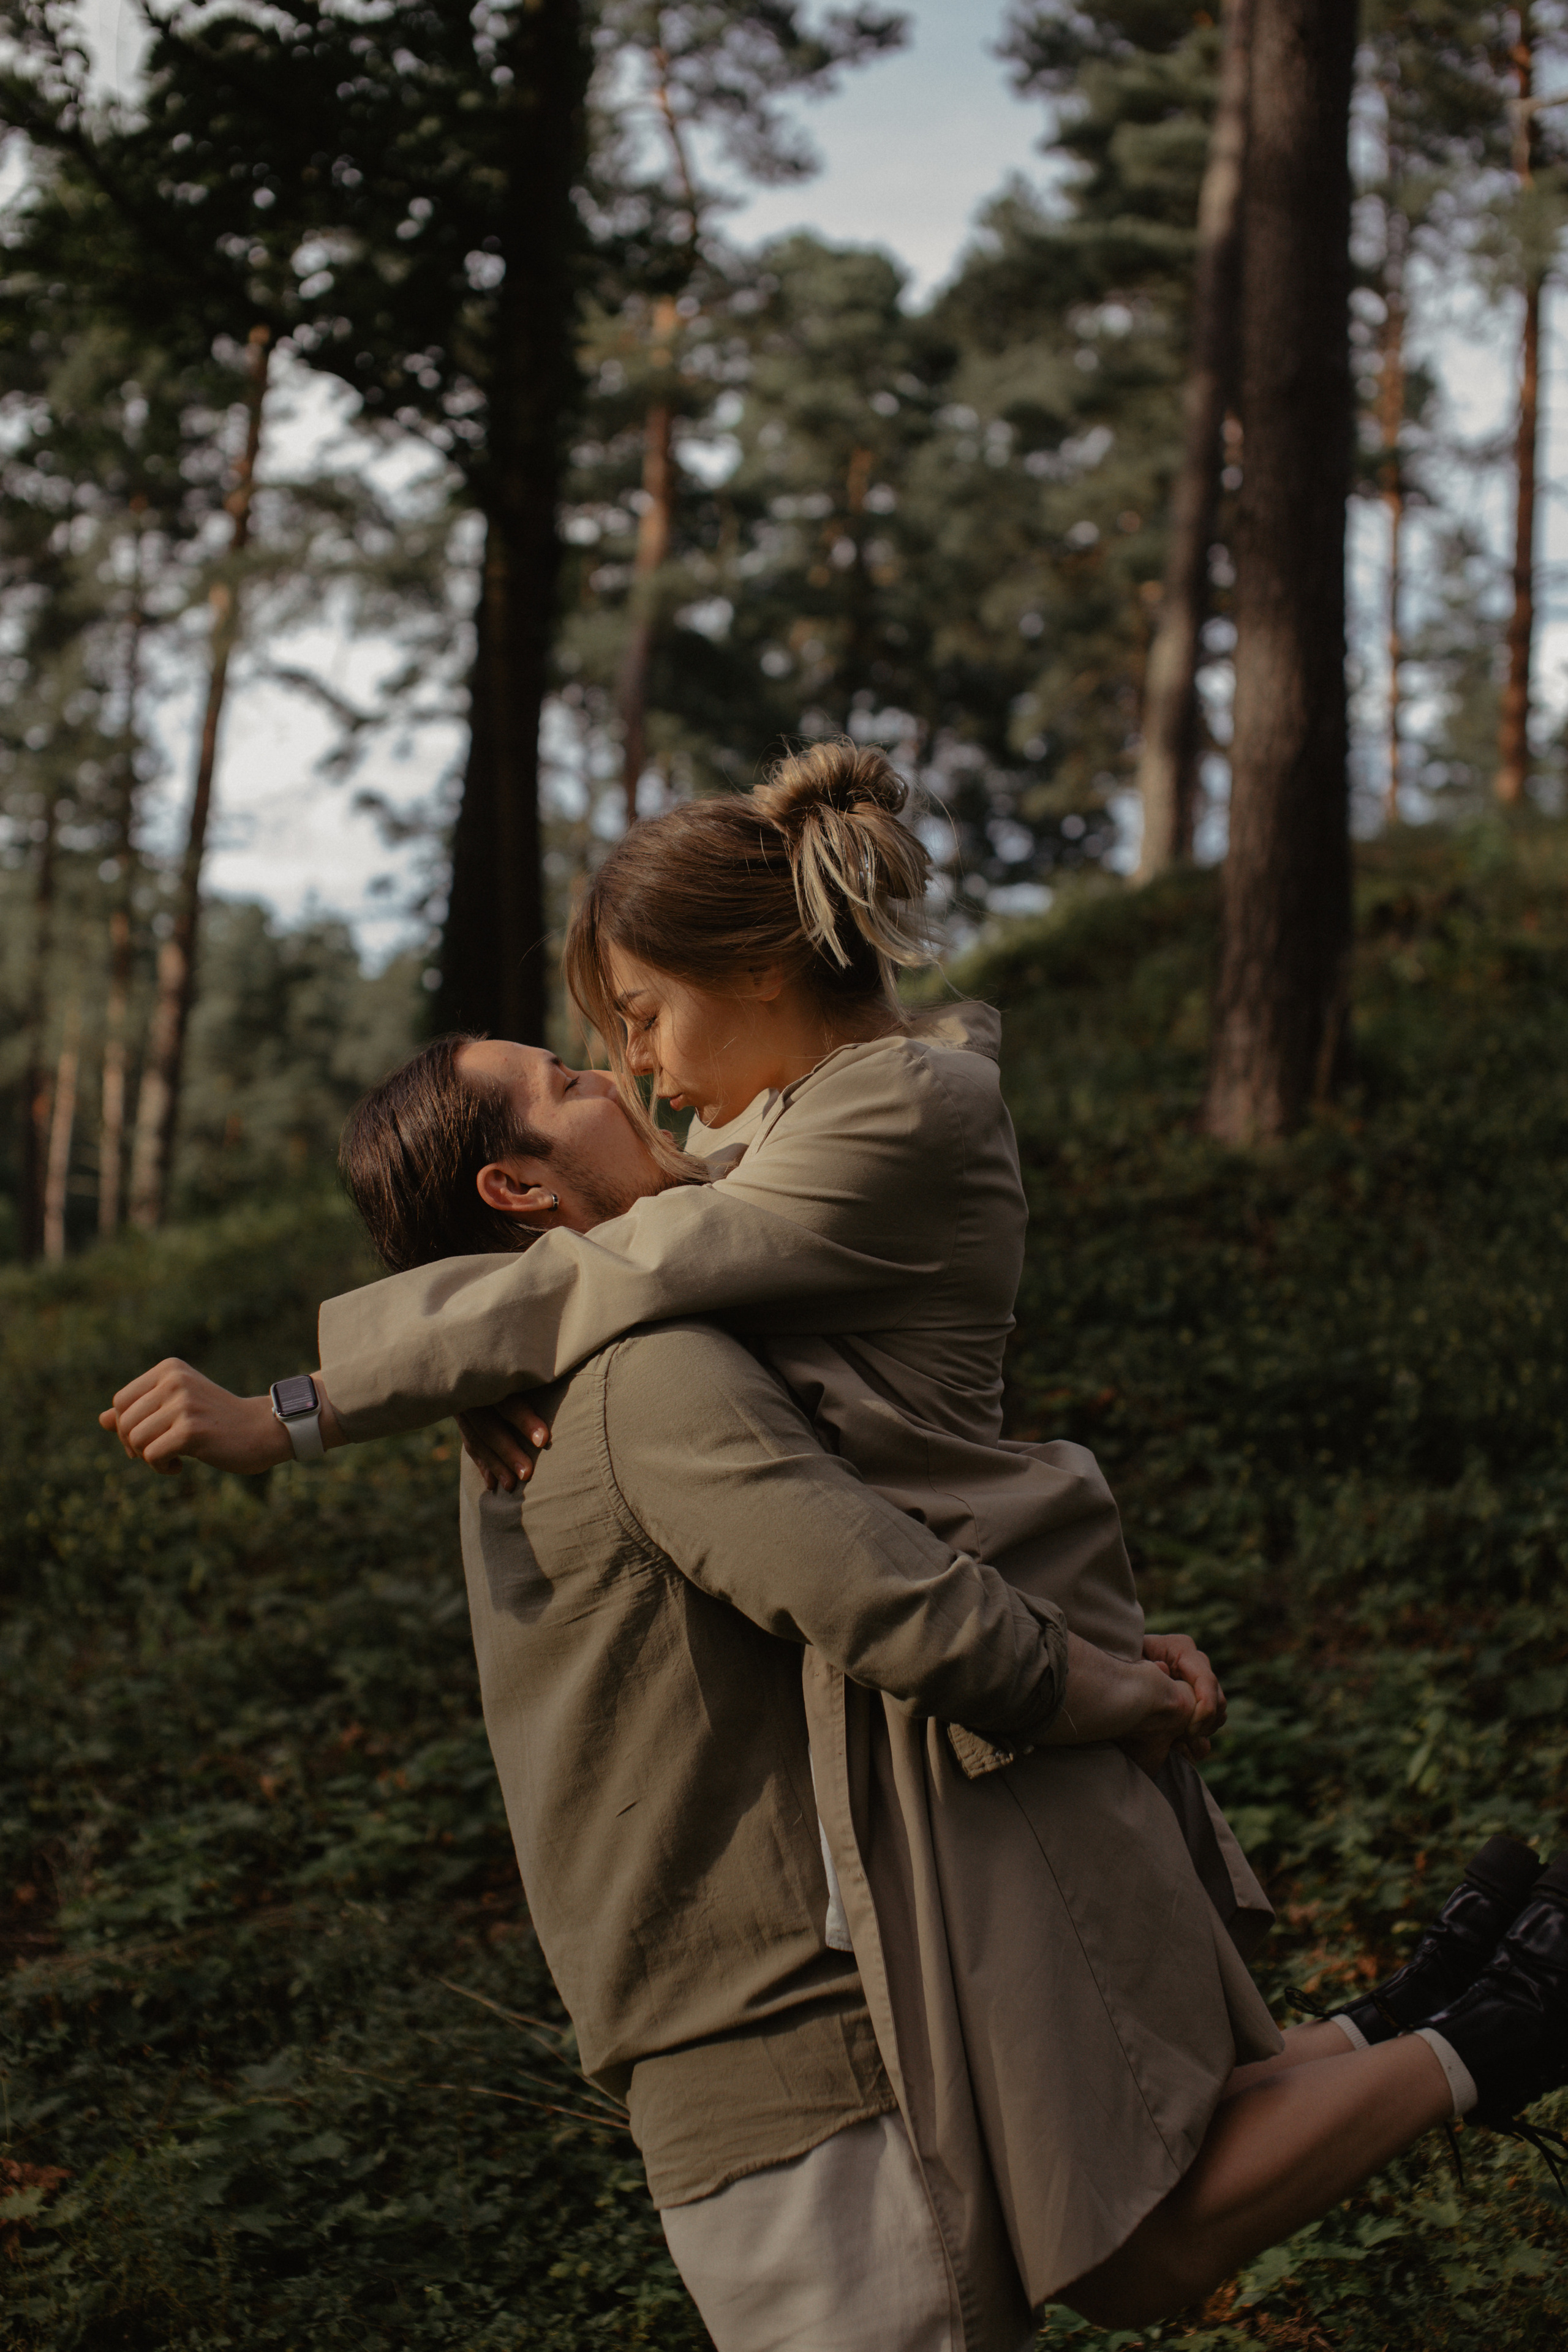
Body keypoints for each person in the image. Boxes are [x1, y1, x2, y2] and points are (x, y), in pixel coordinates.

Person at [105, 1040, 1568, 2345]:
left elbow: (892, 1562)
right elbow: (894, 1600)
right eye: (566, 1084)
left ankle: (1455, 2021)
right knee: (1140, 2225)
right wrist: (1111, 1690)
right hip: (774, 2035)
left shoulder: (603, 1370)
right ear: (514, 1188)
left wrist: (1108, 1673)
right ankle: (1459, 2024)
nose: (615, 1072)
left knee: (1142, 2214)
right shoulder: (629, 1381)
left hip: (802, 2015)